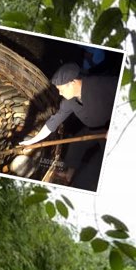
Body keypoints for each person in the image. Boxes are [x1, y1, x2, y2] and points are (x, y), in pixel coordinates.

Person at [18, 62, 117, 190]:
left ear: (73, 82)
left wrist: (115, 125)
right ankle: (68, 174)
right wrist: (32, 141)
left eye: (61, 88)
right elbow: (53, 122)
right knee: (76, 146)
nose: (59, 93)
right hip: (93, 129)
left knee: (91, 172)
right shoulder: (69, 101)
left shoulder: (103, 85)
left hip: (111, 134)